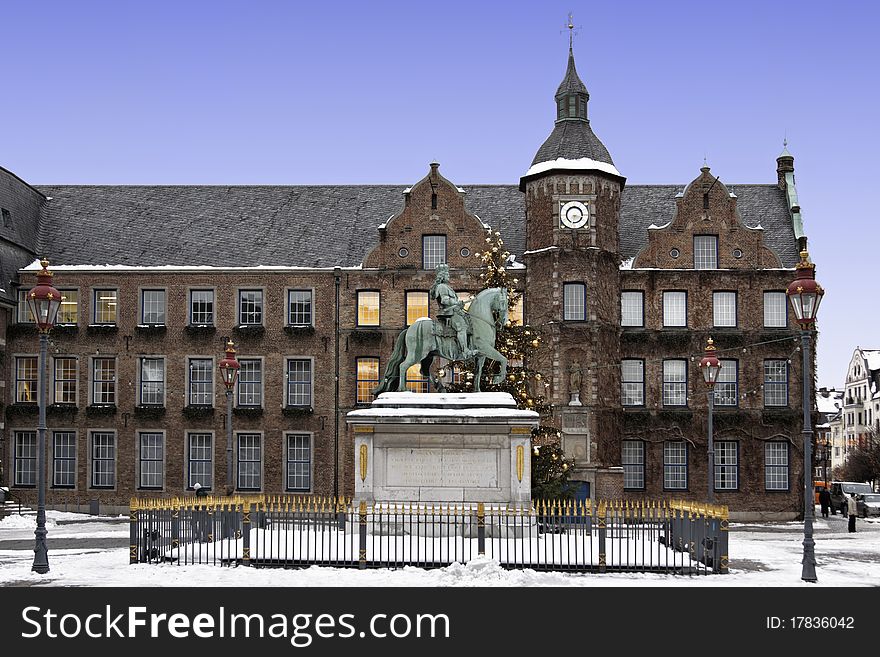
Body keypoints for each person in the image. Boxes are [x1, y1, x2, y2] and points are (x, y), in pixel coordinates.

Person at [429, 263, 475, 359]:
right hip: (448, 313)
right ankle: (465, 350)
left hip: (454, 311)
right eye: (447, 274)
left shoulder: (446, 286)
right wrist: (456, 302)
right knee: (461, 327)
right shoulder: (442, 287)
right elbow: (444, 300)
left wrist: (459, 304)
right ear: (442, 276)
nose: (449, 276)